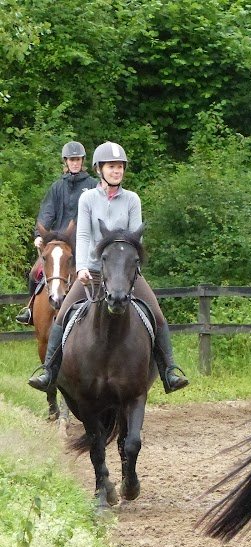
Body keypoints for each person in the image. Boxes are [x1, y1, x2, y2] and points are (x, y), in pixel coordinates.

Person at [28, 141, 189, 394]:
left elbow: (137, 238)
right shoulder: (88, 199)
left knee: (157, 315)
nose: (117, 171)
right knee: (61, 316)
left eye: (120, 167)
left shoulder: (132, 200)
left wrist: (131, 269)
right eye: (112, 166)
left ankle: (169, 370)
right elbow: (81, 235)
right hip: (93, 271)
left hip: (125, 273)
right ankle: (48, 370)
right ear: (99, 169)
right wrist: (81, 266)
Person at [15, 141, 98, 325]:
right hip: (59, 243)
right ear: (66, 162)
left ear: (82, 161)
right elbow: (47, 212)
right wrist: (39, 235)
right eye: (71, 160)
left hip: (84, 243)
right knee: (35, 272)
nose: (75, 163)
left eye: (77, 159)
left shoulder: (93, 185)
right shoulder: (57, 187)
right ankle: (30, 309)